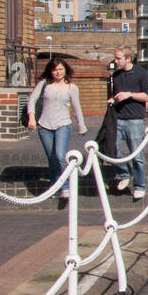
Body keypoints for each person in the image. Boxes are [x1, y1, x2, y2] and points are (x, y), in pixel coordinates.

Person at [26, 58, 87, 206]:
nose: (57, 72)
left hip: (63, 125)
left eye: (60, 69)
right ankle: (54, 186)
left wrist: (82, 125)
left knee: (60, 155)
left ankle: (65, 187)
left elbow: (76, 107)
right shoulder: (44, 84)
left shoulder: (72, 87)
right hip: (44, 125)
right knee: (52, 158)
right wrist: (32, 118)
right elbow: (31, 101)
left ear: (65, 69)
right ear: (50, 71)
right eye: (54, 70)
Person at [109, 46, 148, 199]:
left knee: (137, 155)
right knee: (110, 148)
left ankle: (140, 185)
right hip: (118, 118)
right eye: (115, 57)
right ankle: (124, 172)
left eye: (118, 58)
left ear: (128, 59)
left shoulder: (142, 73)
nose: (115, 61)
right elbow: (115, 95)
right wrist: (112, 100)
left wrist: (130, 95)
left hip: (134, 120)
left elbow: (147, 96)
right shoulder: (116, 75)